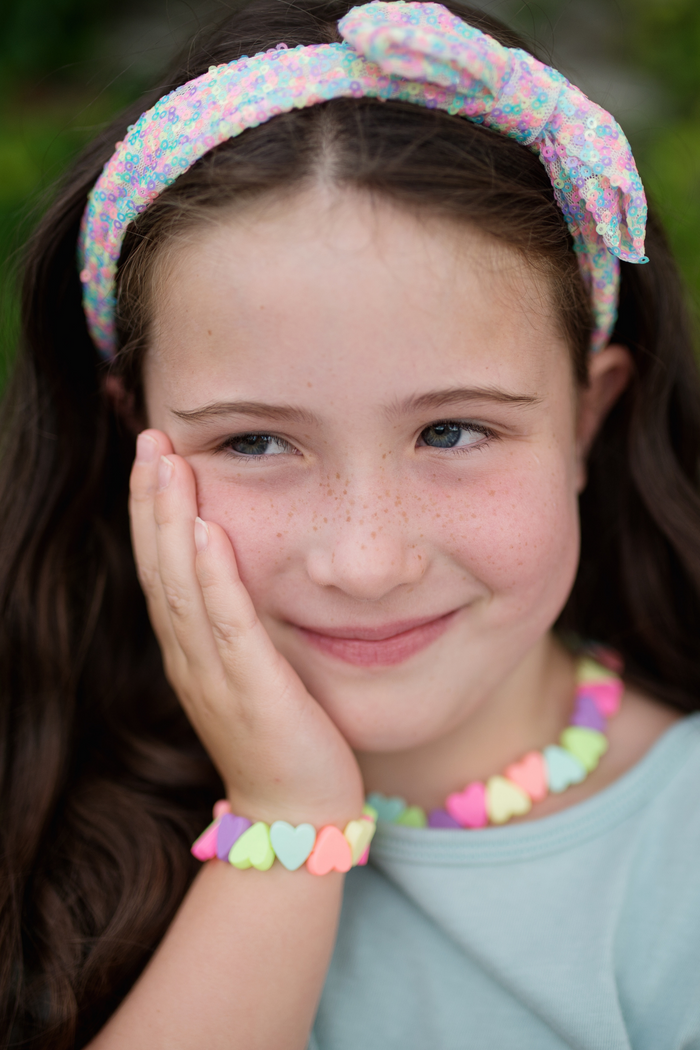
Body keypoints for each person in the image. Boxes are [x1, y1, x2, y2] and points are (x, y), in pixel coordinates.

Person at [1, 0, 699, 1046]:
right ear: (132, 435)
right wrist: (287, 823)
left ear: (587, 417)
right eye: (253, 443)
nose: (365, 562)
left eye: (454, 431)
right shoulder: (32, 812)